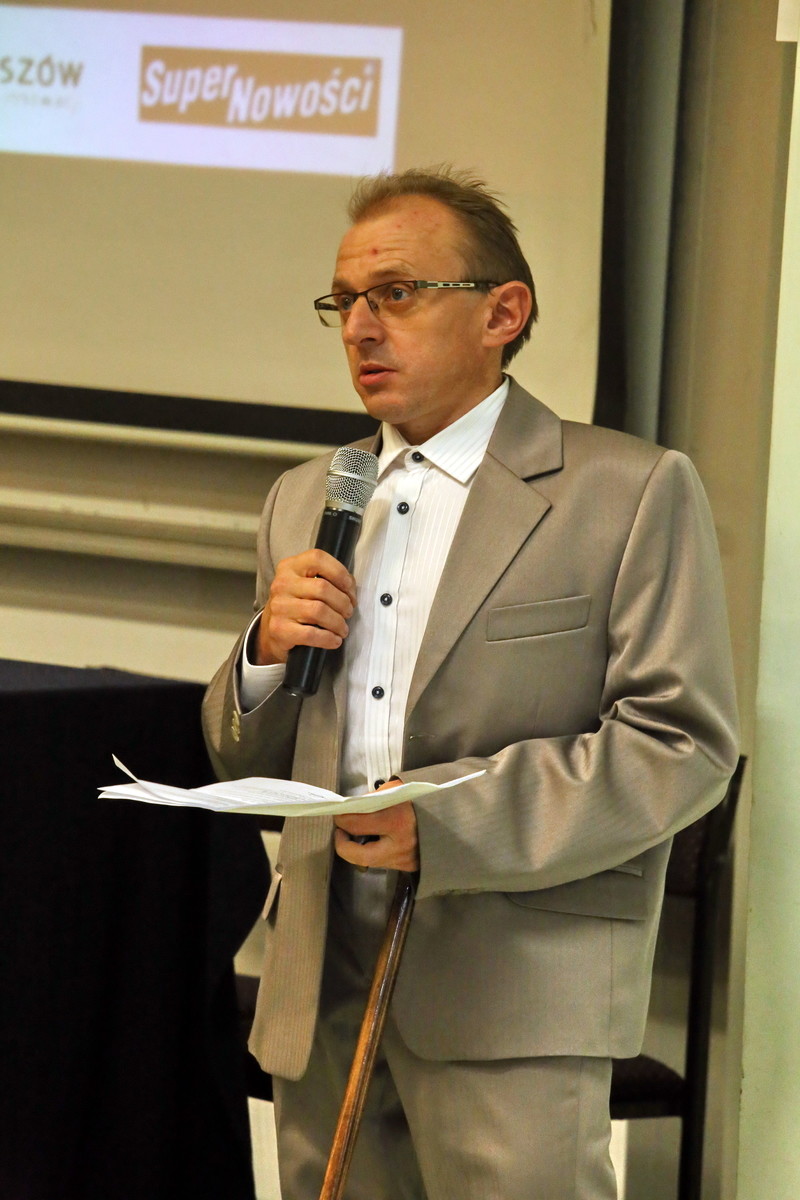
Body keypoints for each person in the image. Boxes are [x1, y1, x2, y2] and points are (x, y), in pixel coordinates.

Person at [202, 167, 738, 1200]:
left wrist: (449, 825)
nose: (361, 327)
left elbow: (680, 745)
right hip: (323, 980)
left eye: (396, 293)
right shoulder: (304, 497)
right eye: (344, 302)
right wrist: (264, 655)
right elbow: (239, 753)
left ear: (502, 313)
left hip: (513, 986)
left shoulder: (626, 491)